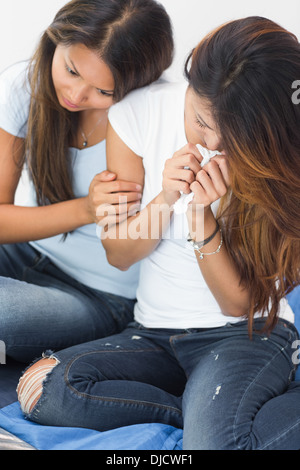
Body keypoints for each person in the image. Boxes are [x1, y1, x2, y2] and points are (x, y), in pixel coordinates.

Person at [17, 17, 300, 450]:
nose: (215, 143)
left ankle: (220, 421)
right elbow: (120, 254)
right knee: (44, 387)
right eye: (202, 122)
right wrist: (166, 197)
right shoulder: (138, 112)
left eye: (233, 135)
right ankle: (202, 411)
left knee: (212, 446)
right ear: (188, 86)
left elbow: (237, 304)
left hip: (242, 335)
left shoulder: (276, 160)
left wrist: (201, 218)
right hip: (152, 332)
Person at [0, 0, 174, 363]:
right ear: (55, 41)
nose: (75, 96)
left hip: (98, 295)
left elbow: (121, 257)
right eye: (71, 70)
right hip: (26, 253)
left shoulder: (146, 117)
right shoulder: (24, 84)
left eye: (103, 92)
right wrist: (87, 208)